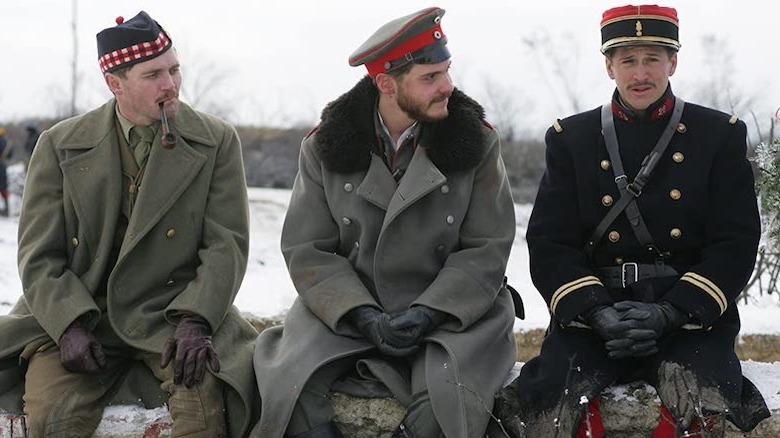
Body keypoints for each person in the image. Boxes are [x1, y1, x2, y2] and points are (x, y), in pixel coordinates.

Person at [494, 5, 770, 438]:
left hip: (686, 315)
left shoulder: (719, 135)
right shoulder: (571, 139)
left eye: (652, 59)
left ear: (672, 62)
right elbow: (550, 241)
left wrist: (671, 312)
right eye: (628, 60)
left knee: (706, 404)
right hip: (596, 313)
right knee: (550, 404)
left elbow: (734, 241)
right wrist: (597, 312)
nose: (640, 74)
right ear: (609, 66)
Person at [251, 6, 517, 438]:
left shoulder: (477, 143)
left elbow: (488, 246)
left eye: (447, 72)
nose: (447, 87)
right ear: (387, 84)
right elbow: (307, 249)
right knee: (288, 394)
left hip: (454, 313)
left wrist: (429, 313)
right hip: (352, 307)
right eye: (430, 78)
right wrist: (363, 315)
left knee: (448, 407)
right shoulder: (324, 148)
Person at [0, 11, 258, 437]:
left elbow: (226, 243)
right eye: (153, 74)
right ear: (115, 83)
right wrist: (67, 325)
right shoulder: (59, 145)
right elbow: (38, 254)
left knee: (205, 416)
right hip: (84, 311)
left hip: (172, 315)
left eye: (175, 69)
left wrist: (197, 321)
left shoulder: (216, 140)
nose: (171, 84)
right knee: (52, 419)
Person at [0, 127, 10, 216]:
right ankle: (6, 209)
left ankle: (6, 210)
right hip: (3, 166)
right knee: (3, 188)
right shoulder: (6, 141)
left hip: (1, 167)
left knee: (3, 188)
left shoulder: (2, 141)